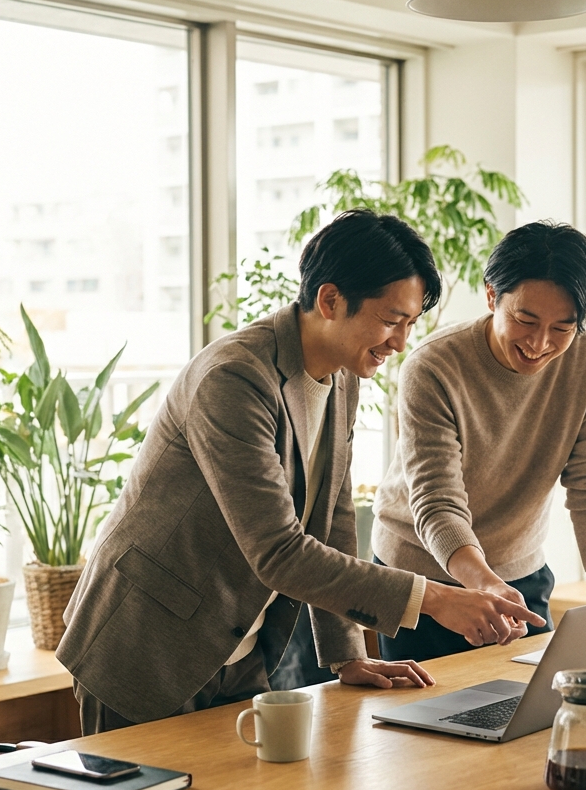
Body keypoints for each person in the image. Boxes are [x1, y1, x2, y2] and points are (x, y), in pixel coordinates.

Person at [58, 210, 544, 733]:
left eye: (409, 324)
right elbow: (279, 550)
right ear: (330, 299)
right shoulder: (234, 379)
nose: (400, 343)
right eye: (390, 320)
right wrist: (438, 599)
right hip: (146, 644)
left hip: (238, 649)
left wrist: (347, 656)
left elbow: (332, 518)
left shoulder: (344, 374)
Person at [372, 220, 586, 663]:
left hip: (520, 575)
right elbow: (437, 503)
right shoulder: (432, 367)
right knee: (423, 723)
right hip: (424, 576)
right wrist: (484, 584)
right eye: (525, 320)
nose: (540, 344)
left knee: (529, 716)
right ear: (491, 296)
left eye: (562, 328)